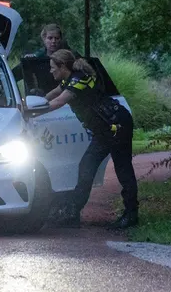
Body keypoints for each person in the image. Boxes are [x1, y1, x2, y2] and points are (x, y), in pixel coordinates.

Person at [40, 49, 139, 228]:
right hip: (104, 131)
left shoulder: (79, 79)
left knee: (123, 168)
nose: (50, 71)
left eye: (53, 67)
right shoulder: (68, 79)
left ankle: (131, 214)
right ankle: (72, 213)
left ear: (63, 66)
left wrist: (30, 111)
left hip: (117, 125)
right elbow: (53, 94)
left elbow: (59, 101)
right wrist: (34, 101)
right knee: (86, 166)